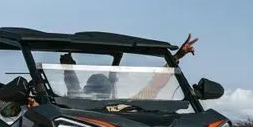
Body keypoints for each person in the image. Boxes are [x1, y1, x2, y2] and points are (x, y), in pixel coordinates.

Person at [60, 34, 199, 100]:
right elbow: (154, 86)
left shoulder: (80, 102)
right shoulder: (128, 105)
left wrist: (68, 68)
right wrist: (177, 56)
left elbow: (72, 85)